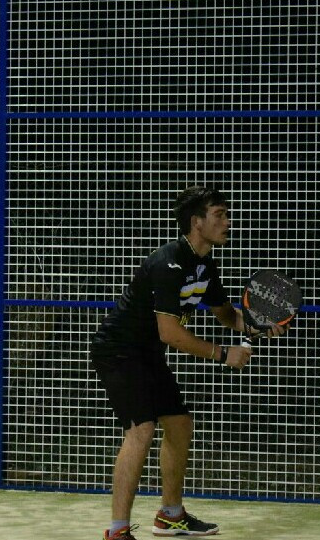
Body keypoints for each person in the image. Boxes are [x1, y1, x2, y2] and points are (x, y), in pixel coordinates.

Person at [90, 186, 286, 539]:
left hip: (147, 353)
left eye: (226, 215)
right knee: (141, 430)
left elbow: (226, 315)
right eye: (219, 215)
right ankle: (117, 531)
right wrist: (223, 354)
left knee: (179, 424)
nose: (228, 222)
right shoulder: (169, 264)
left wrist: (256, 325)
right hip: (118, 351)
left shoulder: (204, 264)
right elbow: (170, 333)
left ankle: (170, 515)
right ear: (197, 222)